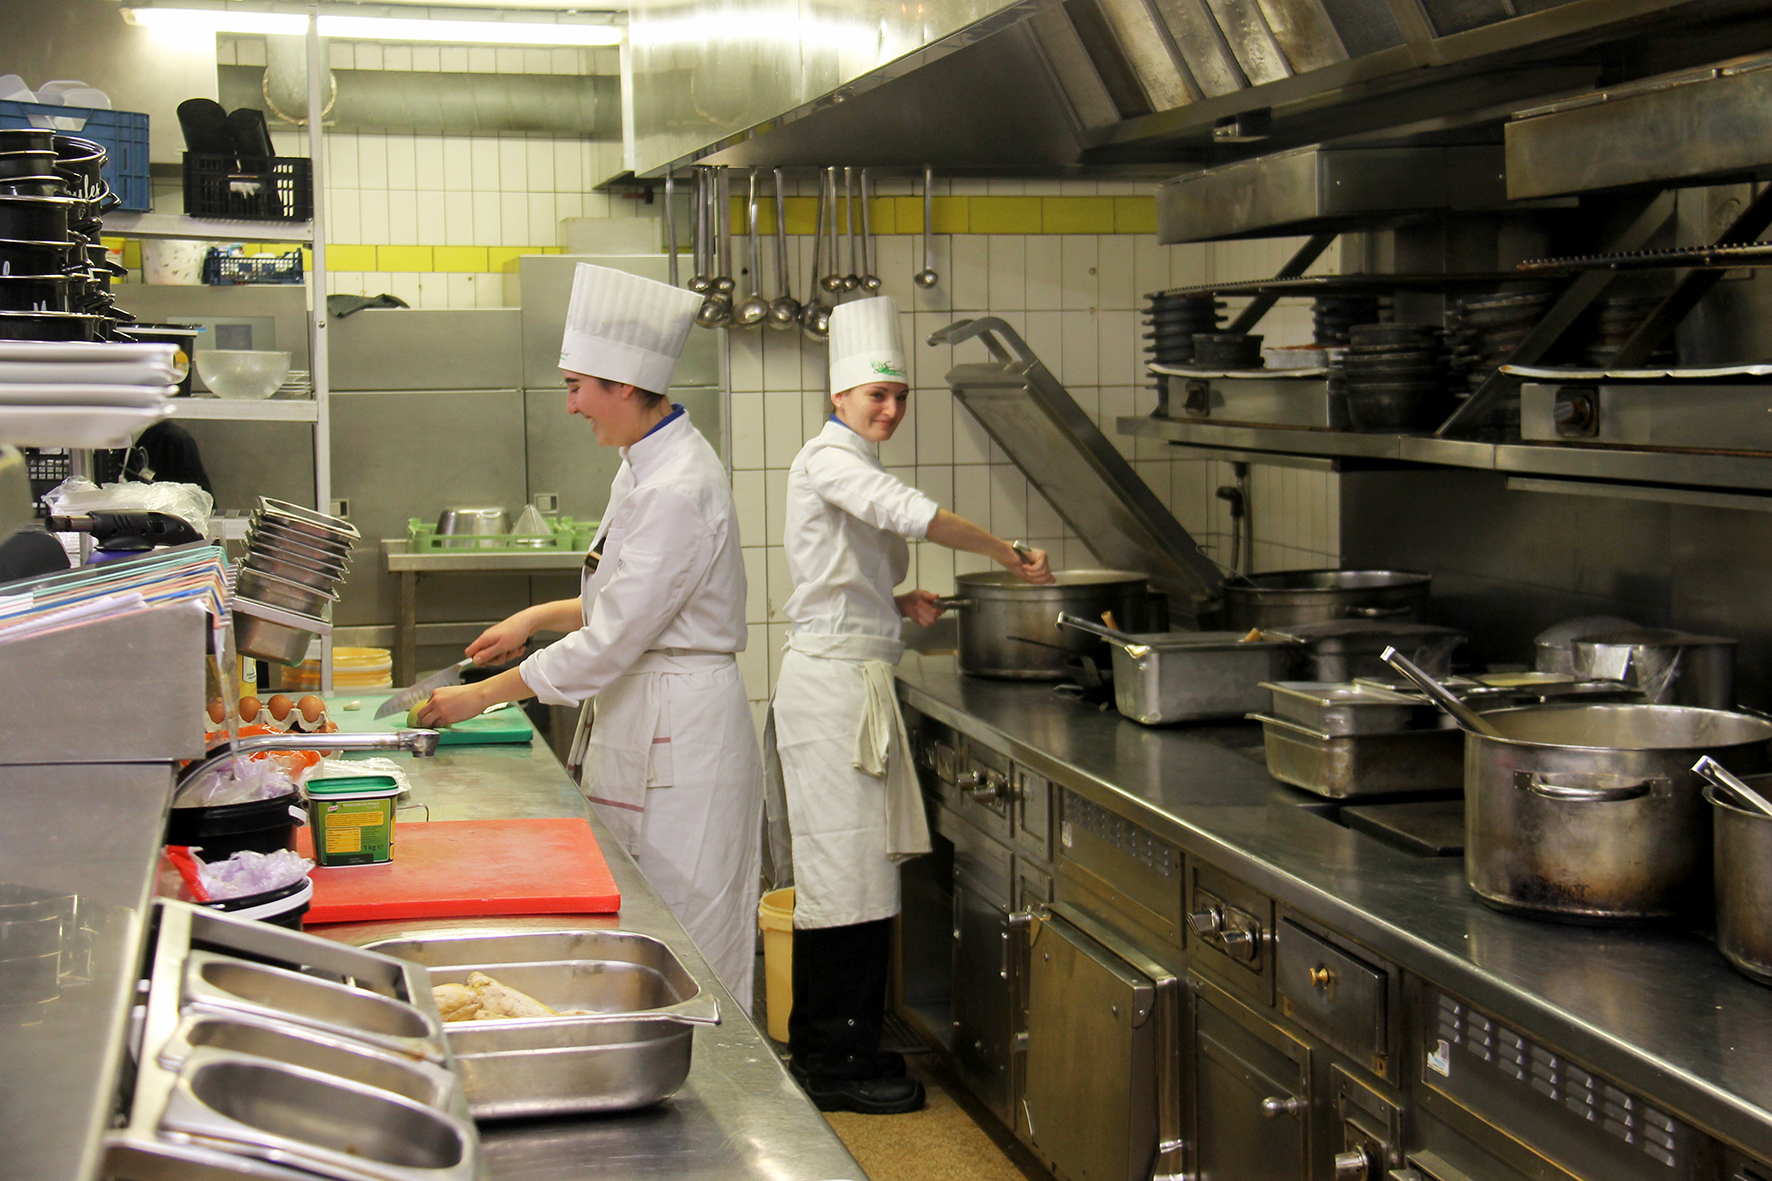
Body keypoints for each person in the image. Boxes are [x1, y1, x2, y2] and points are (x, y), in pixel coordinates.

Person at [417, 264, 763, 1011]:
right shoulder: (641, 466)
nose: (571, 405)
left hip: (687, 741)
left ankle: (725, 1107)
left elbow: (611, 642)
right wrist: (534, 618)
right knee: (646, 928)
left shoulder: (680, 487)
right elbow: (622, 600)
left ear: (627, 384)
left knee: (690, 944)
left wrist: (476, 698)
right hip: (648, 713)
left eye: (578, 385)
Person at [767, 295, 1054, 1114]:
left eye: (898, 397)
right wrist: (1005, 549)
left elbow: (835, 578)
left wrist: (895, 604)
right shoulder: (827, 460)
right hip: (830, 698)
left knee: (856, 877)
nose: (888, 408)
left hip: (852, 681)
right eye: (874, 397)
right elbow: (911, 516)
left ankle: (846, 1040)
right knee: (838, 881)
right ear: (839, 399)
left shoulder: (856, 463)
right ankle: (829, 1060)